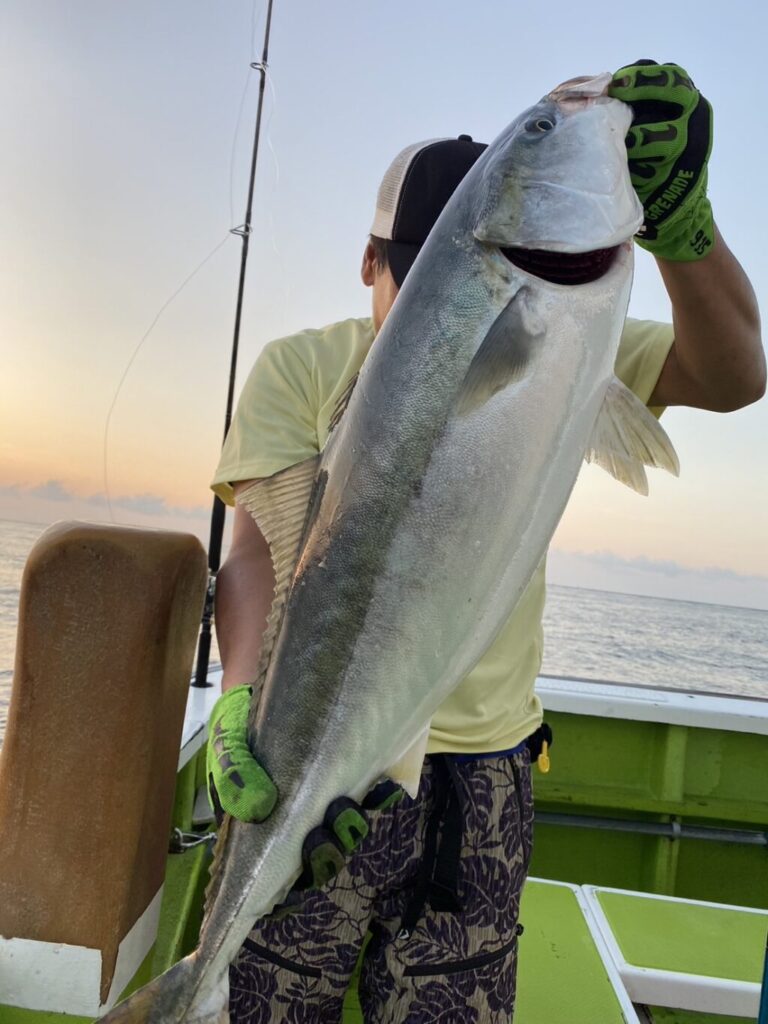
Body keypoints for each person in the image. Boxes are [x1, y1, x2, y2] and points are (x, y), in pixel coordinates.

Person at [208, 62, 764, 1023]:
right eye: (415, 266)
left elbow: (734, 374)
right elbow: (257, 549)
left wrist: (683, 229)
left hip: (485, 767)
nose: (441, 292)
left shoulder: (575, 326)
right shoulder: (303, 366)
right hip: (314, 750)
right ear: (369, 260)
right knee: (269, 991)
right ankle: (197, 985)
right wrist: (239, 699)